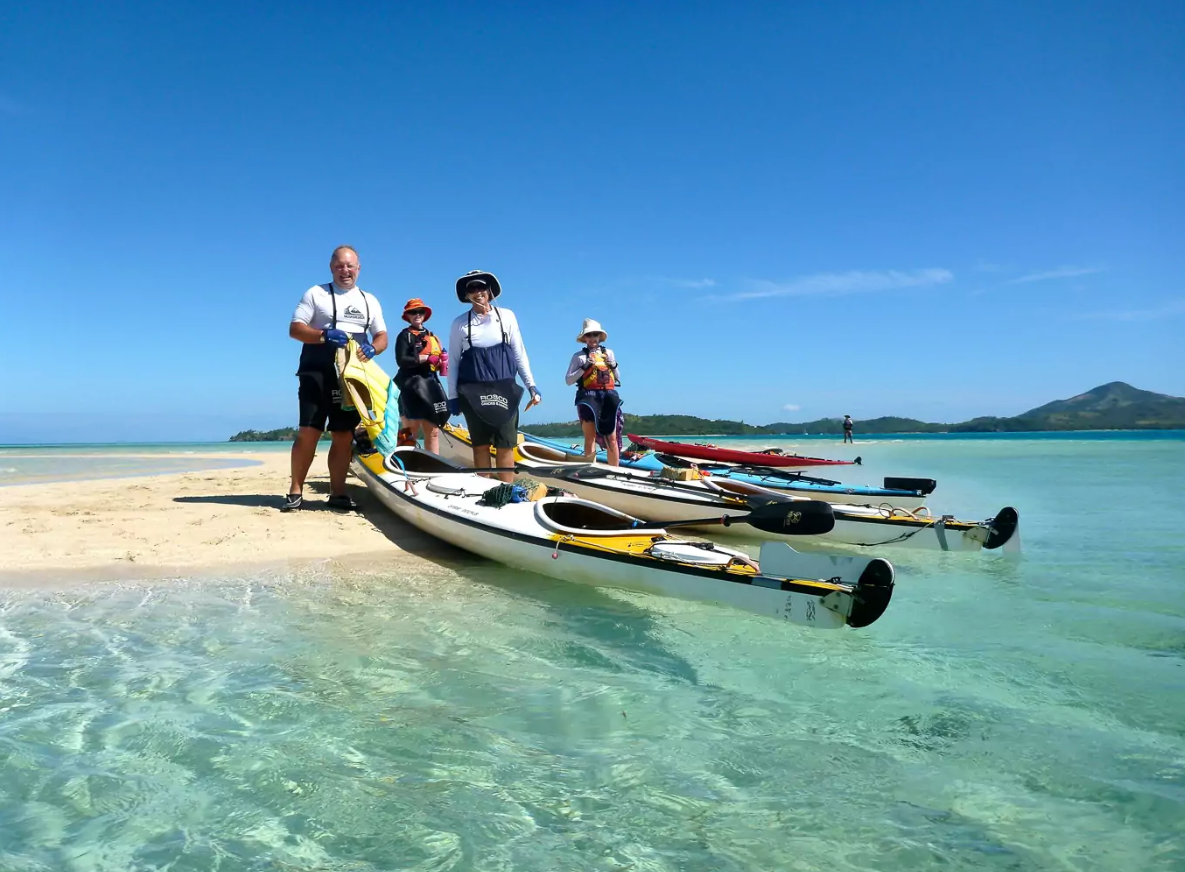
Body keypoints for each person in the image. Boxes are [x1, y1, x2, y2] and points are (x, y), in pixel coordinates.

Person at [284, 245, 388, 511]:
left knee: (343, 435)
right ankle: (295, 491)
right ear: (332, 267)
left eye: (350, 266)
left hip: (351, 377)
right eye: (340, 265)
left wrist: (373, 348)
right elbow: (295, 329)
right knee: (309, 431)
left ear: (359, 269)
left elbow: (382, 337)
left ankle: (338, 493)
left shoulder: (369, 300)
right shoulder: (316, 293)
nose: (346, 270)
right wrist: (323, 336)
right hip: (316, 372)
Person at [447, 270, 541, 483]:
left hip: (505, 389)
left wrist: (532, 386)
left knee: (505, 444)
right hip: (472, 392)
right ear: (466, 294)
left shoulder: (507, 316)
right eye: (472, 288)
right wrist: (452, 397)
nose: (477, 292)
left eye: (481, 287)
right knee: (479, 445)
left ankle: (505, 490)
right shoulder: (459, 324)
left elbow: (519, 353)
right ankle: (483, 490)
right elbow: (452, 362)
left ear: (489, 290)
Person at [393, 297, 449, 454]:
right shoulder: (404, 335)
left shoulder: (433, 336)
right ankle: (407, 472)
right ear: (408, 316)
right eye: (413, 312)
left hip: (430, 383)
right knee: (410, 431)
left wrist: (440, 363)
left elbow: (439, 361)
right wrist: (425, 358)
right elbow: (401, 360)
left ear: (425, 314)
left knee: (433, 431)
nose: (417, 315)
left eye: (420, 312)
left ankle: (434, 468)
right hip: (409, 384)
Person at [565, 318, 623, 466]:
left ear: (599, 337)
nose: (592, 338)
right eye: (589, 335)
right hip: (588, 397)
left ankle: (614, 472)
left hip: (608, 396)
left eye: (595, 335)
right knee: (589, 437)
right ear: (585, 338)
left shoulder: (608, 353)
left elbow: (617, 378)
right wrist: (584, 368)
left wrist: (613, 365)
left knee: (611, 437)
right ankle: (590, 468)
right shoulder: (579, 356)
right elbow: (568, 380)